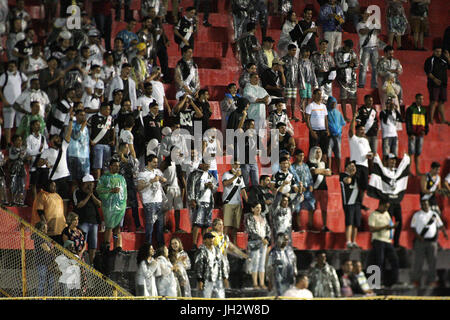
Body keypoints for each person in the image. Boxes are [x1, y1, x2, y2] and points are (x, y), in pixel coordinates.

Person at [39, 114, 74, 214]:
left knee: (65, 201)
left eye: (59, 138)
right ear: (51, 141)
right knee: (53, 202)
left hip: (64, 178)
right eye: (56, 139)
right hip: (54, 179)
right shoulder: (47, 151)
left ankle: (62, 221)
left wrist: (70, 120)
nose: (59, 140)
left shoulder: (63, 147)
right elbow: (39, 163)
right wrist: (44, 162)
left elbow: (68, 133)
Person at [411, 199, 448, 288]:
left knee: (432, 262)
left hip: (432, 242)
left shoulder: (434, 215)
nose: (425, 206)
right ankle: (416, 280)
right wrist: (418, 237)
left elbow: (440, 225)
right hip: (420, 241)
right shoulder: (417, 215)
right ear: (421, 205)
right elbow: (413, 227)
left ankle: (432, 280)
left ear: (429, 205)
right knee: (418, 262)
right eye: (423, 204)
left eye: (426, 204)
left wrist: (445, 233)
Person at [96, 158, 128, 253]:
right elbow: (99, 190)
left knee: (117, 229)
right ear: (110, 166)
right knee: (109, 227)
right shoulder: (104, 178)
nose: (117, 167)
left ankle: (117, 246)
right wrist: (110, 191)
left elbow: (125, 193)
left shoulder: (122, 179)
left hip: (120, 207)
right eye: (115, 166)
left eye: (118, 166)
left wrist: (123, 204)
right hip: (109, 207)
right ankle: (106, 245)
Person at [187, 160, 218, 249]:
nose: (208, 166)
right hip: (198, 201)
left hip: (208, 201)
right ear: (201, 164)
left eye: (209, 164)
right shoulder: (194, 174)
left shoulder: (210, 175)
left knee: (206, 224)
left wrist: (212, 187)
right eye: (206, 164)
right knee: (197, 223)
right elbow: (190, 187)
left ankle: (205, 244)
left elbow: (215, 188)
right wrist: (192, 199)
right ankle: (194, 244)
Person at [368, 201, 400, 286]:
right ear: (380, 205)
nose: (386, 209)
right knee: (379, 261)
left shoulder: (386, 214)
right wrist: (385, 227)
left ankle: (393, 281)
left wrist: (392, 227)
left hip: (388, 241)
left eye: (388, 207)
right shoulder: (373, 215)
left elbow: (389, 224)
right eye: (385, 206)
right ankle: (378, 282)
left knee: (395, 260)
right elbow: (371, 229)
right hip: (378, 240)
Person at [137, 154, 167, 246]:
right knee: (150, 227)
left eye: (157, 162)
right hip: (149, 202)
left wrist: (162, 179)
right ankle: (148, 247)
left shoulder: (157, 171)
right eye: (154, 162)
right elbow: (139, 187)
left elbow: (165, 181)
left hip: (159, 201)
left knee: (160, 227)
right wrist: (151, 181)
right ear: (148, 162)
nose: (156, 164)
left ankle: (161, 248)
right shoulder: (142, 173)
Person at [72, 174, 102, 265]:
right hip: (82, 221)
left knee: (93, 245)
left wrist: (92, 194)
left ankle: (92, 264)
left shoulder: (95, 192)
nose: (89, 186)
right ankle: (80, 262)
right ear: (83, 184)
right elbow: (79, 205)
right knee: (81, 243)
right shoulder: (78, 192)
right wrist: (88, 195)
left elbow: (99, 204)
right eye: (87, 184)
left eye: (91, 184)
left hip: (94, 222)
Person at [349, 110, 373, 210]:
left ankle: (360, 203)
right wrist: (354, 118)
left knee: (363, 187)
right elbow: (350, 131)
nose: (363, 131)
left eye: (364, 130)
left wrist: (370, 155)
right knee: (355, 185)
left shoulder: (366, 140)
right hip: (356, 165)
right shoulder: (353, 138)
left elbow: (369, 152)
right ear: (357, 130)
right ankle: (354, 202)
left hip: (365, 166)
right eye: (361, 130)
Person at [0, 60, 27, 146]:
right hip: (8, 103)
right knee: (8, 125)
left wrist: (21, 88)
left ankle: (18, 143)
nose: (11, 68)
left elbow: (26, 81)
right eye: (9, 66)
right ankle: (8, 144)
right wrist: (4, 100)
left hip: (19, 103)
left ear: (16, 67)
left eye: (12, 66)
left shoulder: (20, 74)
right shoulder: (5, 76)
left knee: (20, 124)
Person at [245, 202, 271, 289]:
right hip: (254, 242)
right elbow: (250, 230)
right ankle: (255, 283)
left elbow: (268, 229)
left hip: (263, 243)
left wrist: (267, 238)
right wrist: (261, 239)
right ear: (252, 209)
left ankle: (262, 283)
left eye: (259, 207)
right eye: (256, 207)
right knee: (255, 263)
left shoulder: (263, 217)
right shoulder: (249, 218)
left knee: (262, 263)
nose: (259, 209)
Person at [31, 180, 66, 245]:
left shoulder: (57, 196)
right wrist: (45, 224)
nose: (54, 187)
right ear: (48, 186)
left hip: (59, 228)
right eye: (52, 185)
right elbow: (40, 211)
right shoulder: (42, 195)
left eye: (55, 185)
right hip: (48, 228)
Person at [194, 232, 228, 298]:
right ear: (204, 240)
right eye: (209, 238)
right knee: (206, 297)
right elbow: (198, 266)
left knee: (220, 297)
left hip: (218, 278)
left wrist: (225, 277)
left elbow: (222, 264)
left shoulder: (217, 250)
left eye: (212, 238)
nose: (211, 239)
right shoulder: (201, 251)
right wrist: (200, 280)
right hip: (207, 279)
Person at [222, 160, 248, 244]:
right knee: (227, 226)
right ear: (232, 164)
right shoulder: (226, 174)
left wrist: (247, 201)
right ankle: (224, 244)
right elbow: (225, 183)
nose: (238, 166)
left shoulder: (240, 177)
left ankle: (234, 244)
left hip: (238, 203)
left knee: (235, 226)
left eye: (239, 164)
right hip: (228, 203)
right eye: (236, 164)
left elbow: (243, 190)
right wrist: (234, 177)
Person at [307, 146, 332, 232]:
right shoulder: (310, 162)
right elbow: (313, 172)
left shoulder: (324, 163)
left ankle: (324, 226)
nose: (319, 154)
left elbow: (329, 173)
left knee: (324, 209)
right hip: (315, 189)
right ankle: (310, 225)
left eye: (319, 152)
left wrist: (320, 170)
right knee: (312, 208)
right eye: (317, 152)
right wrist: (323, 171)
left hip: (324, 189)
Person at [89, 103, 115, 180]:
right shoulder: (94, 117)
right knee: (98, 166)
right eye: (107, 109)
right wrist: (90, 140)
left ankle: (105, 182)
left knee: (106, 166)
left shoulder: (111, 119)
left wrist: (113, 140)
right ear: (102, 109)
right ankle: (97, 182)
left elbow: (112, 130)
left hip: (107, 145)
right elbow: (87, 129)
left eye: (109, 109)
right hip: (97, 145)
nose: (108, 111)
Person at [357, 8, 381, 89]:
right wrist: (372, 26)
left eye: (369, 14)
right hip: (365, 48)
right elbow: (363, 32)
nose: (368, 15)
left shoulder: (372, 23)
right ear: (362, 15)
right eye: (366, 13)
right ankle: (361, 84)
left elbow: (378, 31)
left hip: (374, 47)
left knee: (375, 67)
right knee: (363, 67)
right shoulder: (360, 24)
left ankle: (375, 84)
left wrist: (375, 24)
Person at [340, 160, 362, 249]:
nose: (353, 168)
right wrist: (351, 173)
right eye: (351, 166)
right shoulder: (343, 175)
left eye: (354, 166)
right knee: (349, 222)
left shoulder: (356, 176)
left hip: (357, 202)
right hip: (348, 202)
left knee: (356, 223)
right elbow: (348, 181)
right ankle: (348, 241)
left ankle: (354, 241)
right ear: (346, 167)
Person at [424, 46, 449, 124]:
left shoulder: (444, 59)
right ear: (433, 51)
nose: (439, 53)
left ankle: (443, 120)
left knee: (441, 102)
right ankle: (430, 119)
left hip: (443, 84)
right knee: (433, 101)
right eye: (437, 51)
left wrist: (448, 57)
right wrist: (434, 79)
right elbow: (428, 72)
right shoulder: (430, 60)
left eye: (440, 51)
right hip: (433, 84)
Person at [335, 39, 358, 122]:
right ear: (345, 46)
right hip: (343, 77)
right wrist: (348, 64)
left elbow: (357, 64)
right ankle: (345, 116)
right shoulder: (339, 52)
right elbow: (338, 65)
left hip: (352, 77)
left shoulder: (352, 53)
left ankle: (354, 116)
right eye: (349, 47)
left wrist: (353, 64)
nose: (350, 49)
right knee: (343, 97)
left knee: (353, 98)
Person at [405, 93, 429, 175]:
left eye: (422, 99)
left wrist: (425, 130)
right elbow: (408, 122)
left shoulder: (424, 110)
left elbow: (426, 122)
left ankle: (417, 171)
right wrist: (410, 133)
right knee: (411, 152)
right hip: (413, 134)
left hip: (420, 134)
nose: (421, 100)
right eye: (419, 99)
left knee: (418, 153)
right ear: (416, 99)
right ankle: (409, 170)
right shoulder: (410, 109)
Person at [26, 119, 48, 199]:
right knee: (34, 184)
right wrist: (38, 152)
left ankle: (41, 200)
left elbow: (46, 149)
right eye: (36, 124)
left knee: (43, 184)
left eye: (39, 124)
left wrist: (42, 157)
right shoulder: (29, 138)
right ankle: (35, 201)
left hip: (42, 163)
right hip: (34, 163)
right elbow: (29, 151)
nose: (38, 126)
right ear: (32, 126)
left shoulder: (43, 137)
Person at [32, 221, 56, 297]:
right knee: (42, 282)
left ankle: (49, 297)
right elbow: (47, 249)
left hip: (50, 263)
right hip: (42, 263)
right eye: (45, 228)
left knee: (51, 283)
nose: (46, 230)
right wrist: (53, 253)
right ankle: (40, 298)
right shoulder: (38, 236)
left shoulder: (46, 238)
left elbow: (51, 249)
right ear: (41, 229)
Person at [243, 73, 271, 138]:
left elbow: (268, 98)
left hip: (261, 115)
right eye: (255, 77)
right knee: (251, 134)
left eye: (258, 78)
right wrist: (262, 100)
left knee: (260, 136)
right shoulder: (247, 88)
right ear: (250, 79)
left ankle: (259, 147)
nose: (257, 79)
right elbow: (249, 97)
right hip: (252, 114)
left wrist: (266, 100)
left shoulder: (262, 89)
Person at [305, 89, 330, 162]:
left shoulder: (324, 106)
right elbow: (307, 119)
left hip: (323, 131)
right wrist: (311, 131)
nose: (320, 96)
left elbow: (325, 119)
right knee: (313, 150)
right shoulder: (310, 106)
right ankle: (312, 167)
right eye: (318, 94)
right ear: (314, 95)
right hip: (314, 131)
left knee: (325, 151)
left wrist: (327, 129)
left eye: (321, 94)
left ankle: (324, 167)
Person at [68, 108, 90, 188]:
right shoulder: (72, 125)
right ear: (76, 116)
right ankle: (73, 198)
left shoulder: (86, 128)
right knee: (74, 181)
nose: (83, 117)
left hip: (85, 157)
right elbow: (75, 136)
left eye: (84, 115)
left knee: (84, 180)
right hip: (74, 155)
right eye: (81, 115)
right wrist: (83, 126)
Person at [311, 39, 335, 103]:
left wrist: (330, 77)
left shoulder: (329, 56)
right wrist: (318, 69)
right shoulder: (315, 56)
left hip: (327, 77)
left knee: (328, 93)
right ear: (320, 45)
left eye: (326, 44)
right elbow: (311, 66)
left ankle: (327, 108)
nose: (325, 46)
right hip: (319, 76)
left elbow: (333, 67)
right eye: (323, 44)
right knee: (319, 93)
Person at [298, 46, 318, 122]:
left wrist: (315, 83)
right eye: (305, 52)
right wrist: (302, 84)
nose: (307, 53)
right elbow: (301, 74)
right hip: (303, 83)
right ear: (302, 53)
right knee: (303, 99)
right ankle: (303, 116)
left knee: (308, 99)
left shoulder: (310, 62)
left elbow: (313, 73)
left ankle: (307, 115)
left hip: (309, 83)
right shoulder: (300, 62)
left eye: (308, 52)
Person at [326, 96, 346, 173]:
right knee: (329, 153)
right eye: (332, 103)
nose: (333, 105)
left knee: (338, 154)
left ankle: (339, 170)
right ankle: (329, 170)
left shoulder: (338, 113)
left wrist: (339, 131)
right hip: (329, 136)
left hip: (338, 136)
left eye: (335, 103)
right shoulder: (326, 112)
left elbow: (342, 123)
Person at [281, 44, 299, 121]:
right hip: (287, 82)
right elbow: (281, 72)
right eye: (293, 50)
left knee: (293, 99)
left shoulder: (296, 60)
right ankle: (284, 115)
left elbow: (298, 72)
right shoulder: (283, 59)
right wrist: (283, 82)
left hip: (294, 83)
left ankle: (293, 115)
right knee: (286, 99)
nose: (294, 52)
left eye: (295, 50)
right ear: (288, 50)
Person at [8, 134, 27, 206]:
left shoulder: (23, 149)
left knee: (22, 185)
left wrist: (27, 158)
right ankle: (13, 201)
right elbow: (12, 157)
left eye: (21, 140)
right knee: (14, 185)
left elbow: (25, 158)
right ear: (14, 142)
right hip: (14, 170)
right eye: (18, 140)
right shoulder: (12, 149)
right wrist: (19, 154)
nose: (20, 142)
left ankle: (20, 201)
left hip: (21, 170)